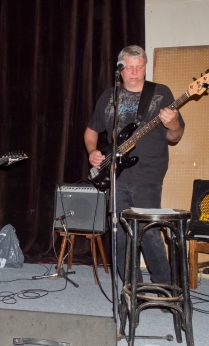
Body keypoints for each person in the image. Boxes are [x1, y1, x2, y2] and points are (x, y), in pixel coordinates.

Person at [84, 45, 185, 285]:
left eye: (139, 67)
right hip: (115, 174)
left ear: (145, 67)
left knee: (149, 232)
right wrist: (93, 151)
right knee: (120, 234)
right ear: (120, 69)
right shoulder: (109, 96)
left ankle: (165, 287)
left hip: (148, 173)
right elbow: (91, 131)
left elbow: (175, 136)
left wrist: (173, 124)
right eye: (129, 67)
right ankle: (132, 287)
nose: (134, 72)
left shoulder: (160, 93)